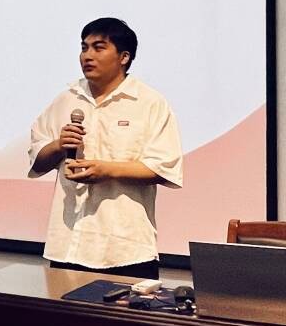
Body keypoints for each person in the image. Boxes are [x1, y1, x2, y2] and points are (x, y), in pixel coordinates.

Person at [28, 17, 183, 279]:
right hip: (68, 245)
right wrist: (58, 146)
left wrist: (106, 170)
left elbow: (163, 168)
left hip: (126, 249)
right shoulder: (66, 99)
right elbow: (37, 160)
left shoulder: (149, 103)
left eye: (98, 48)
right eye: (84, 47)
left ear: (124, 57)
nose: (87, 56)